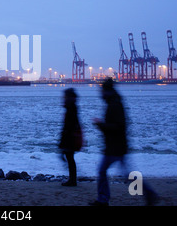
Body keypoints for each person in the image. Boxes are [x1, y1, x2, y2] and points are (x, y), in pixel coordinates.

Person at [90, 78, 158, 206]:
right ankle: (148, 194)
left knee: (106, 171)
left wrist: (101, 125)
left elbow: (118, 126)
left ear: (107, 91)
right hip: (116, 145)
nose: (100, 93)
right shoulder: (114, 102)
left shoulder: (114, 104)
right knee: (124, 174)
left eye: (102, 90)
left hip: (115, 146)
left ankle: (104, 199)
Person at [58, 88, 82, 186]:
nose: (63, 98)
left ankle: (72, 180)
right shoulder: (72, 107)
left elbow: (68, 125)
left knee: (69, 158)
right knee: (69, 157)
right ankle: (73, 179)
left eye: (65, 96)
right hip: (70, 136)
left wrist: (64, 137)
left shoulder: (70, 108)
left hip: (69, 137)